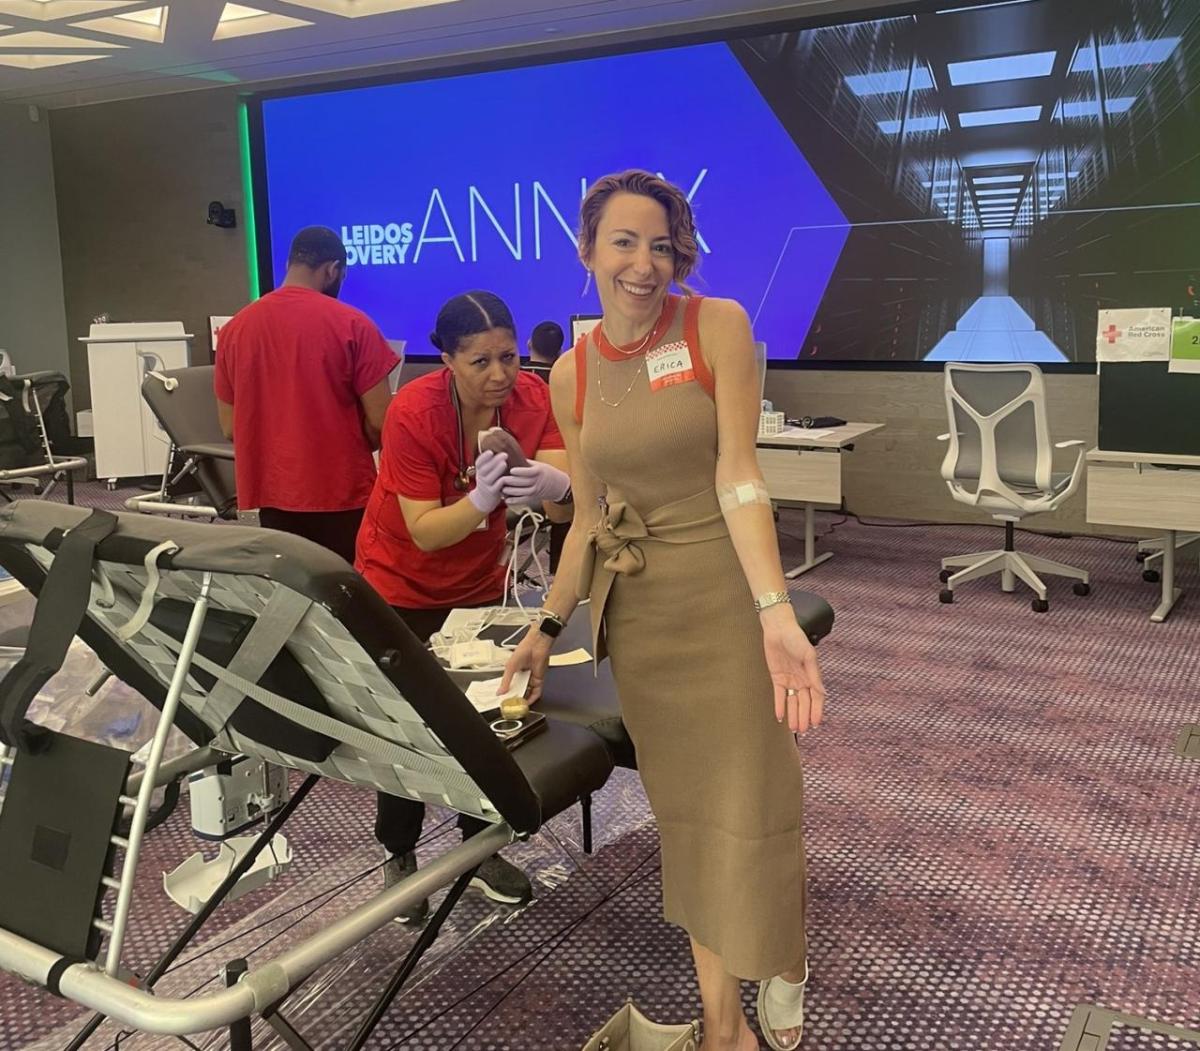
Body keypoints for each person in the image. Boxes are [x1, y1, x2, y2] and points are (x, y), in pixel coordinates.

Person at [500, 171, 826, 1051]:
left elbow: (739, 472)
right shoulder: (570, 371)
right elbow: (589, 517)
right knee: (688, 819)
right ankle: (725, 1025)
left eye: (662, 244)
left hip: (721, 593)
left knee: (752, 799)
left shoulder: (715, 325)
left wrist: (774, 608)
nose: (645, 264)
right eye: (624, 242)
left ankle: (783, 956)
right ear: (587, 250)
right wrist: (544, 625)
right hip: (639, 615)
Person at [355, 290, 572, 921]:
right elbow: (424, 530)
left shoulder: (534, 399)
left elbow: (563, 506)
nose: (500, 374)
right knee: (407, 727)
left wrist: (555, 485)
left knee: (479, 720)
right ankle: (399, 857)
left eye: (508, 356)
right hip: (398, 582)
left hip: (477, 581)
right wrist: (480, 502)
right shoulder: (412, 413)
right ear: (446, 359)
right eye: (480, 362)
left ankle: (479, 851)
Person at [214, 225, 399, 563]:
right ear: (332, 270)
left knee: (294, 592)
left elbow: (229, 426)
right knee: (349, 592)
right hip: (343, 493)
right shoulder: (355, 325)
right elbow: (382, 422)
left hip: (271, 494)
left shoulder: (234, 330)